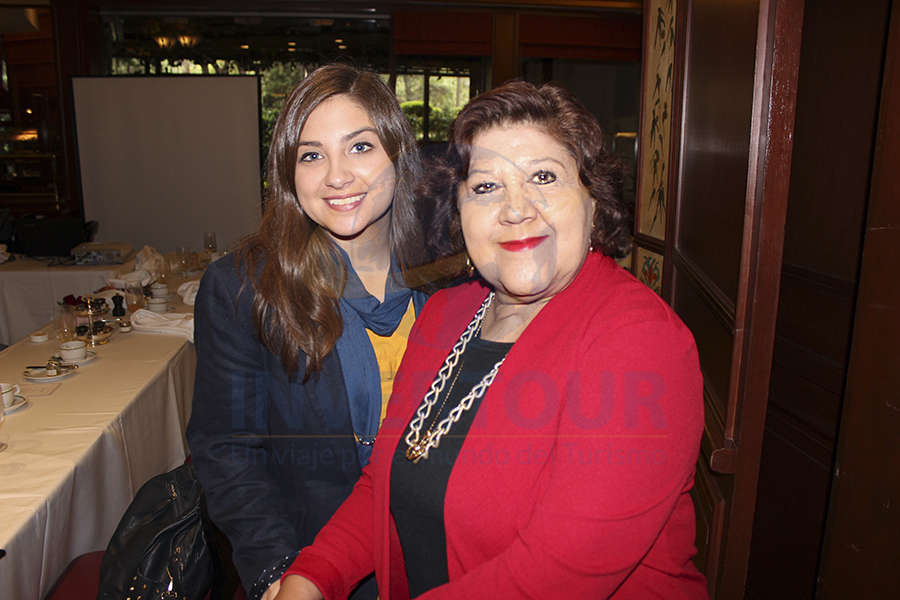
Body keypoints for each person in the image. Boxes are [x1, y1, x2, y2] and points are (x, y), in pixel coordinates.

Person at [276, 80, 708, 599]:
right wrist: (313, 575)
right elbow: (385, 482)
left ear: (595, 203)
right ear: (459, 211)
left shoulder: (641, 343)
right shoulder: (443, 314)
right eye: (485, 187)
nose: (515, 208)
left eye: (544, 177)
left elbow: (555, 577)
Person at [186, 64, 428, 600]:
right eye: (312, 155)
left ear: (398, 152)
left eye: (360, 147)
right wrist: (277, 567)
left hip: (439, 558)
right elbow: (227, 449)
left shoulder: (452, 275)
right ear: (288, 173)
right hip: (311, 560)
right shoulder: (244, 287)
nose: (337, 175)